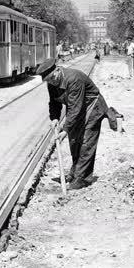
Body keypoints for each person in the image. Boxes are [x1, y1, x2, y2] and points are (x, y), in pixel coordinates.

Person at [37, 59, 120, 190]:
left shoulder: (74, 79)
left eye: (52, 78)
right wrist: (54, 118)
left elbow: (75, 108)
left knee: (86, 142)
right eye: (48, 80)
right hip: (78, 109)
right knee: (75, 141)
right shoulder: (52, 83)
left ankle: (82, 179)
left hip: (93, 108)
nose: (52, 82)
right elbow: (54, 103)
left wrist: (65, 130)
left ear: (58, 70)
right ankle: (75, 173)